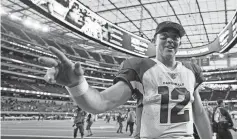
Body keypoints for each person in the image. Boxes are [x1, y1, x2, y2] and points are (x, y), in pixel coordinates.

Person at [39, 21, 212, 139]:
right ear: (154, 40)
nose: (170, 40)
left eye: (175, 37)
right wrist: (76, 85)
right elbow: (101, 102)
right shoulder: (140, 66)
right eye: (164, 36)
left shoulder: (190, 70)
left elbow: (199, 113)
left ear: (180, 42)